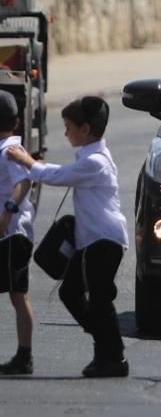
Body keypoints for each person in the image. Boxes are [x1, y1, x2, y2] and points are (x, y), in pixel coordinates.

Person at [5, 96, 130, 378]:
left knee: (99, 300)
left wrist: (27, 161)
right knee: (71, 292)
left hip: (104, 241)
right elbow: (64, 173)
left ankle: (113, 357)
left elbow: (60, 176)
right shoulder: (90, 158)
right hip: (92, 241)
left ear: (85, 129)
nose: (65, 133)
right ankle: (105, 345)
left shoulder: (96, 162)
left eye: (68, 127)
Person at [0, 92, 35, 375]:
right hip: (8, 234)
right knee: (17, 296)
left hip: (12, 234)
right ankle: (24, 356)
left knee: (18, 295)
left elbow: (24, 182)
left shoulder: (10, 152)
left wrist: (8, 211)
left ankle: (24, 357)